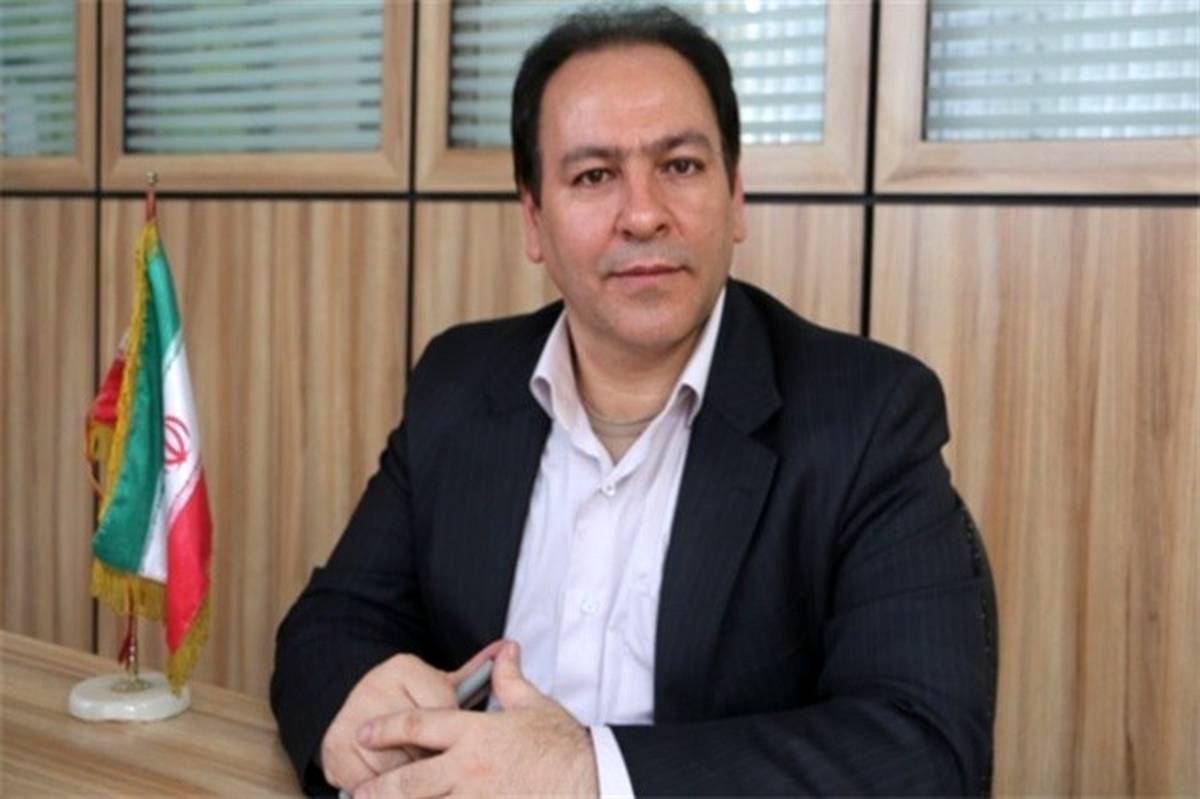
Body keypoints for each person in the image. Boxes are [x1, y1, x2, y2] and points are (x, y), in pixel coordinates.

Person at [271, 5, 997, 796]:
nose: (644, 213)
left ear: (736, 196)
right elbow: (332, 622)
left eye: (680, 165)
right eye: (594, 176)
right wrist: (353, 703)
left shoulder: (869, 416)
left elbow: (923, 751)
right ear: (533, 219)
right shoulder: (458, 383)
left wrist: (585, 772)